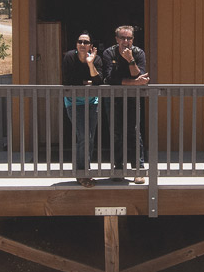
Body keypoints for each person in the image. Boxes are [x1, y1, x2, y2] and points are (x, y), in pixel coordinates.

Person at [101, 25, 149, 184]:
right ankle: (118, 169)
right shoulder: (109, 53)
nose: (126, 41)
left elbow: (138, 74)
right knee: (116, 133)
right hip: (113, 98)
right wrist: (134, 83)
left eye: (129, 38)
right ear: (117, 39)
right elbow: (109, 79)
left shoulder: (138, 53)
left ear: (133, 40)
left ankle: (138, 170)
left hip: (132, 98)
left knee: (134, 132)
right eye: (122, 38)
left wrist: (130, 60)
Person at [62, 31, 104, 188]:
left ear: (90, 46)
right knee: (84, 136)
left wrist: (90, 63)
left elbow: (99, 80)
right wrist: (87, 82)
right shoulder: (69, 58)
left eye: (86, 42)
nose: (82, 44)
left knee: (90, 137)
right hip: (73, 103)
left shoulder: (96, 59)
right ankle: (82, 172)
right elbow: (68, 81)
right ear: (76, 44)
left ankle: (85, 170)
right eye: (80, 41)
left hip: (92, 102)